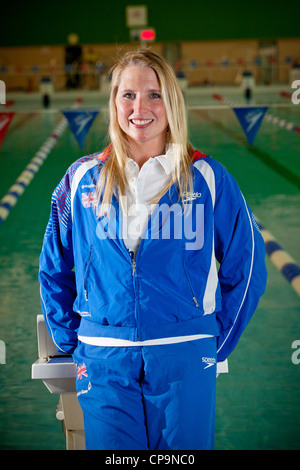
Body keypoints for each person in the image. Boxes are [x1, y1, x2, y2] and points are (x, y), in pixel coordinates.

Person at [39, 49, 267, 450]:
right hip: (104, 359)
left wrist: (213, 341)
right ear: (113, 103)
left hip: (184, 355)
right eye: (128, 95)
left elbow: (247, 266)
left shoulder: (207, 178)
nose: (139, 107)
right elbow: (54, 266)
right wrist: (76, 344)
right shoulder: (81, 179)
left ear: (172, 103)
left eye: (154, 94)